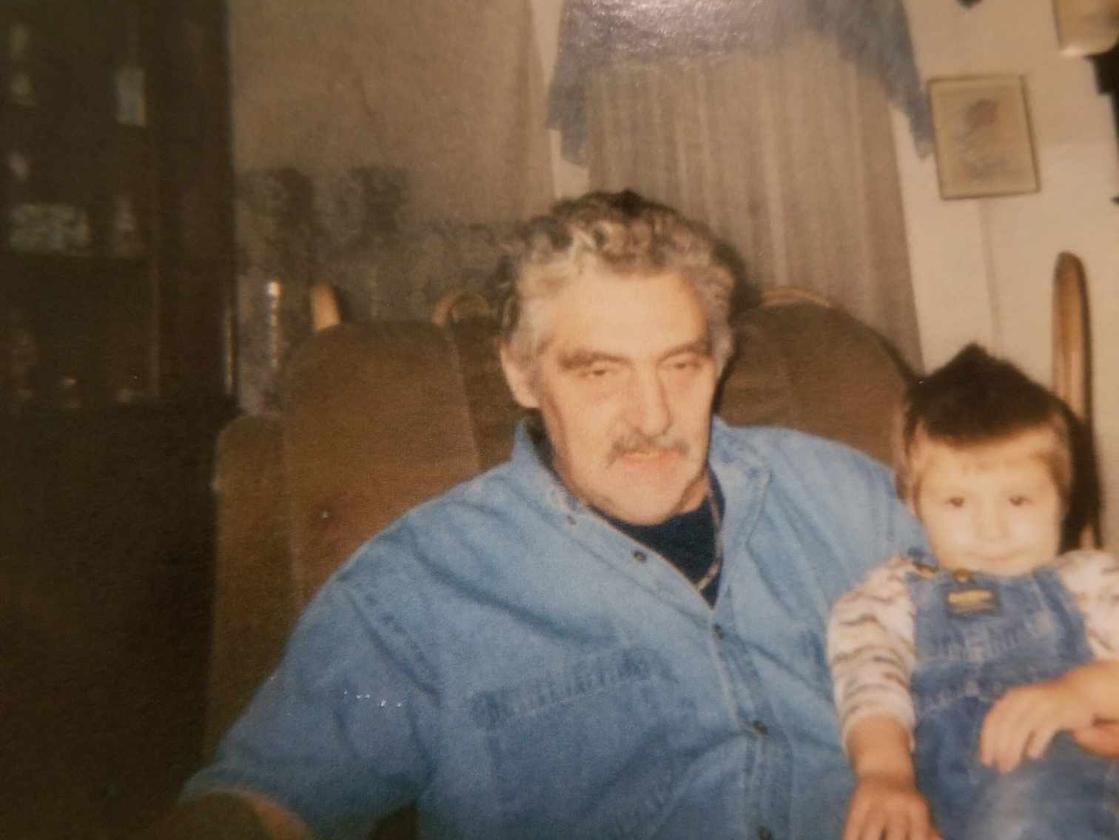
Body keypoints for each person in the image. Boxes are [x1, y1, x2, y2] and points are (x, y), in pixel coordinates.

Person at [161, 191, 930, 839]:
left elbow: (987, 622)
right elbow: (273, 797)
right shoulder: (419, 594)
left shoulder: (843, 499)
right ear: (521, 373)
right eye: (599, 372)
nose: (652, 415)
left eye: (680, 364)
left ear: (719, 360)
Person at [827, 344, 1119, 840]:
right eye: (958, 502)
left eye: (1018, 500)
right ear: (914, 503)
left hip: (1064, 797)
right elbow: (869, 688)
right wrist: (885, 775)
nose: (991, 530)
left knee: (1026, 818)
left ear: (1062, 500)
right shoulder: (891, 596)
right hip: (941, 805)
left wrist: (1081, 692)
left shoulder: (1090, 581)